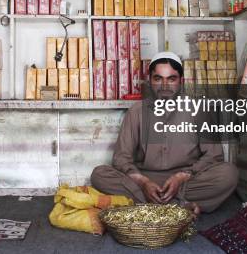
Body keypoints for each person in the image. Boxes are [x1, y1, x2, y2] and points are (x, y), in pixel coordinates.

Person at [90, 52, 238, 214]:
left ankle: (152, 204)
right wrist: (143, 182)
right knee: (100, 174)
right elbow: (121, 158)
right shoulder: (136, 112)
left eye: (171, 79)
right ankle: (178, 204)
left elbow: (214, 156)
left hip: (186, 180)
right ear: (150, 81)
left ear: (181, 81)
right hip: (146, 178)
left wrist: (181, 177)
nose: (165, 85)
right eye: (158, 78)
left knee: (228, 174)